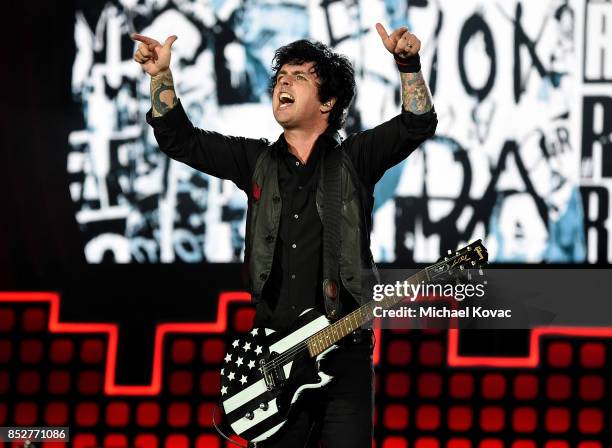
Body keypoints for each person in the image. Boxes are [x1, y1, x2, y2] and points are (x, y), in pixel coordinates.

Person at [133, 23, 436, 448]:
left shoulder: (353, 161)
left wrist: (407, 63)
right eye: (280, 77)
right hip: (271, 357)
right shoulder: (255, 160)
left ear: (328, 102)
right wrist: (160, 76)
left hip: (343, 350)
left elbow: (416, 123)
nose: (284, 83)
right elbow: (180, 140)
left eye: (299, 77)